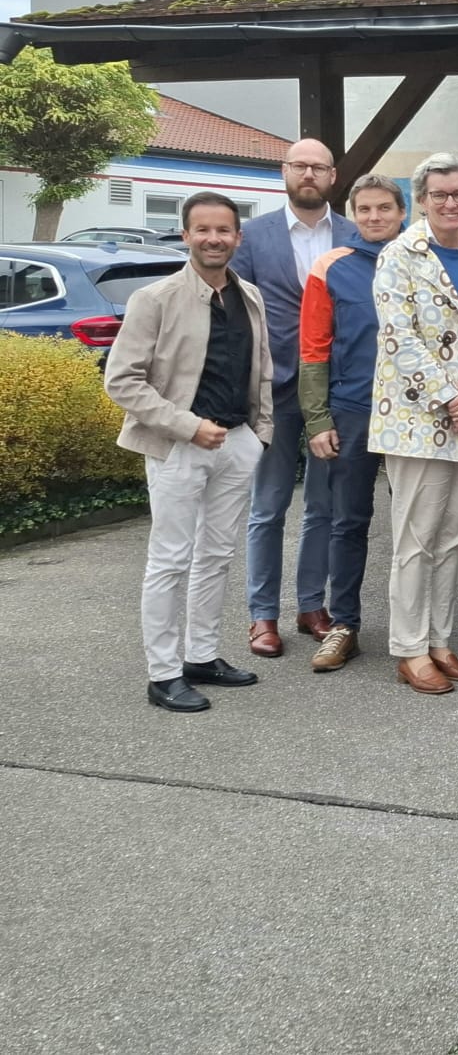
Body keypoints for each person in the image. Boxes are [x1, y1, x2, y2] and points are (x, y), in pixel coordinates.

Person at [106, 192, 272, 712]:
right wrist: (187, 426)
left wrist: (258, 434)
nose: (214, 238)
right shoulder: (154, 300)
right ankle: (162, 674)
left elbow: (262, 369)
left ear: (237, 237)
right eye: (202, 229)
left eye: (223, 230)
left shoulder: (250, 297)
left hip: (236, 443)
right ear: (185, 235)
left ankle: (201, 656)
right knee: (170, 560)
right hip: (178, 447)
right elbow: (122, 381)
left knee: (217, 555)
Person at [370, 154, 458, 695]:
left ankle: (440, 640)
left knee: (457, 536)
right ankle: (409, 649)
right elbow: (399, 338)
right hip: (417, 421)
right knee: (416, 538)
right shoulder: (398, 256)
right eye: (440, 195)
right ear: (423, 200)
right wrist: (451, 396)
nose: (451, 203)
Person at [231, 138, 359, 658]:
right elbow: (235, 315)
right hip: (275, 390)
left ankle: (311, 605)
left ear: (332, 176)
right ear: (284, 171)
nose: (308, 173)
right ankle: (263, 616)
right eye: (299, 165)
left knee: (324, 508)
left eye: (318, 167)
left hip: (336, 393)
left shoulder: (355, 234)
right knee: (269, 506)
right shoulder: (254, 237)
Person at [298, 175, 406, 673]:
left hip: (414, 412)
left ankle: (417, 628)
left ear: (401, 212)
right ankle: (344, 624)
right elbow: (314, 348)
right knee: (348, 521)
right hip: (353, 409)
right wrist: (318, 418)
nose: (375, 217)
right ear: (353, 214)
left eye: (384, 208)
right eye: (365, 209)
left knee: (416, 526)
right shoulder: (331, 266)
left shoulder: (422, 261)